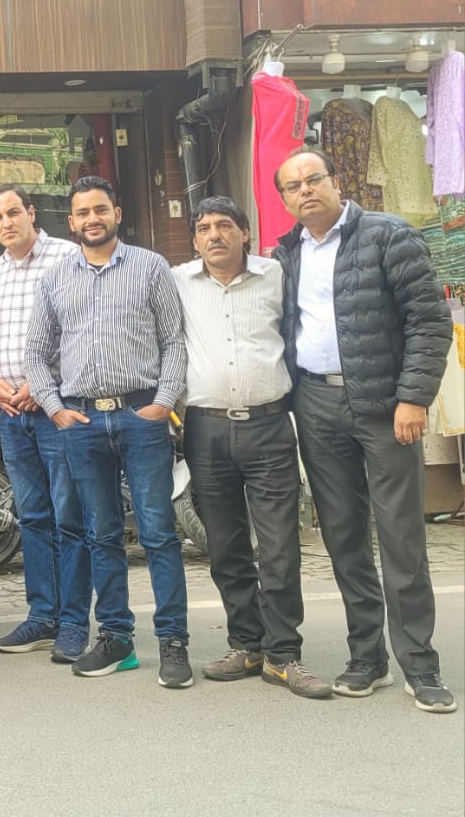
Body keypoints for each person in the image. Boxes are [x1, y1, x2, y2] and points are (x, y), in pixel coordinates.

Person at [272, 147, 455, 713]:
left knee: (401, 537)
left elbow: (429, 320)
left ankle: (420, 665)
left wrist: (413, 398)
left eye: (314, 179)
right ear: (284, 199)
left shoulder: (388, 235)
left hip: (384, 408)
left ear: (336, 181)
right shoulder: (286, 253)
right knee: (344, 538)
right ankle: (367, 657)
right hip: (316, 405)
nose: (305, 190)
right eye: (293, 186)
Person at [24, 175, 190, 688]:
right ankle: (117, 638)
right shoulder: (55, 279)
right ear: (71, 222)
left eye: (100, 209)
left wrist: (164, 402)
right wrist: (55, 410)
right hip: (83, 422)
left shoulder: (151, 266)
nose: (92, 219)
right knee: (101, 534)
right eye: (82, 212)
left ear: (117, 213)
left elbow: (174, 341)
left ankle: (173, 641)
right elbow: (35, 354)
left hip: (141, 416)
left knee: (158, 532)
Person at [173, 196, 330, 699]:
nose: (214, 235)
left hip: (269, 426)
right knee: (225, 546)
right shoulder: (177, 282)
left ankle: (283, 654)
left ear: (245, 232)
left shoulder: (275, 275)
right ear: (194, 239)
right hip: (206, 430)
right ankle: (246, 644)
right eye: (204, 228)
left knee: (280, 546)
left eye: (224, 225)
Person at [0, 185, 90, 660]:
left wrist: (40, 385)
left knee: (69, 516)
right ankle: (42, 615)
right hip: (11, 414)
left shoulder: (67, 257)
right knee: (33, 517)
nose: (6, 223)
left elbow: (81, 330)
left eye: (13, 213)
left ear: (30, 212)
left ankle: (74, 622)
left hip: (56, 407)